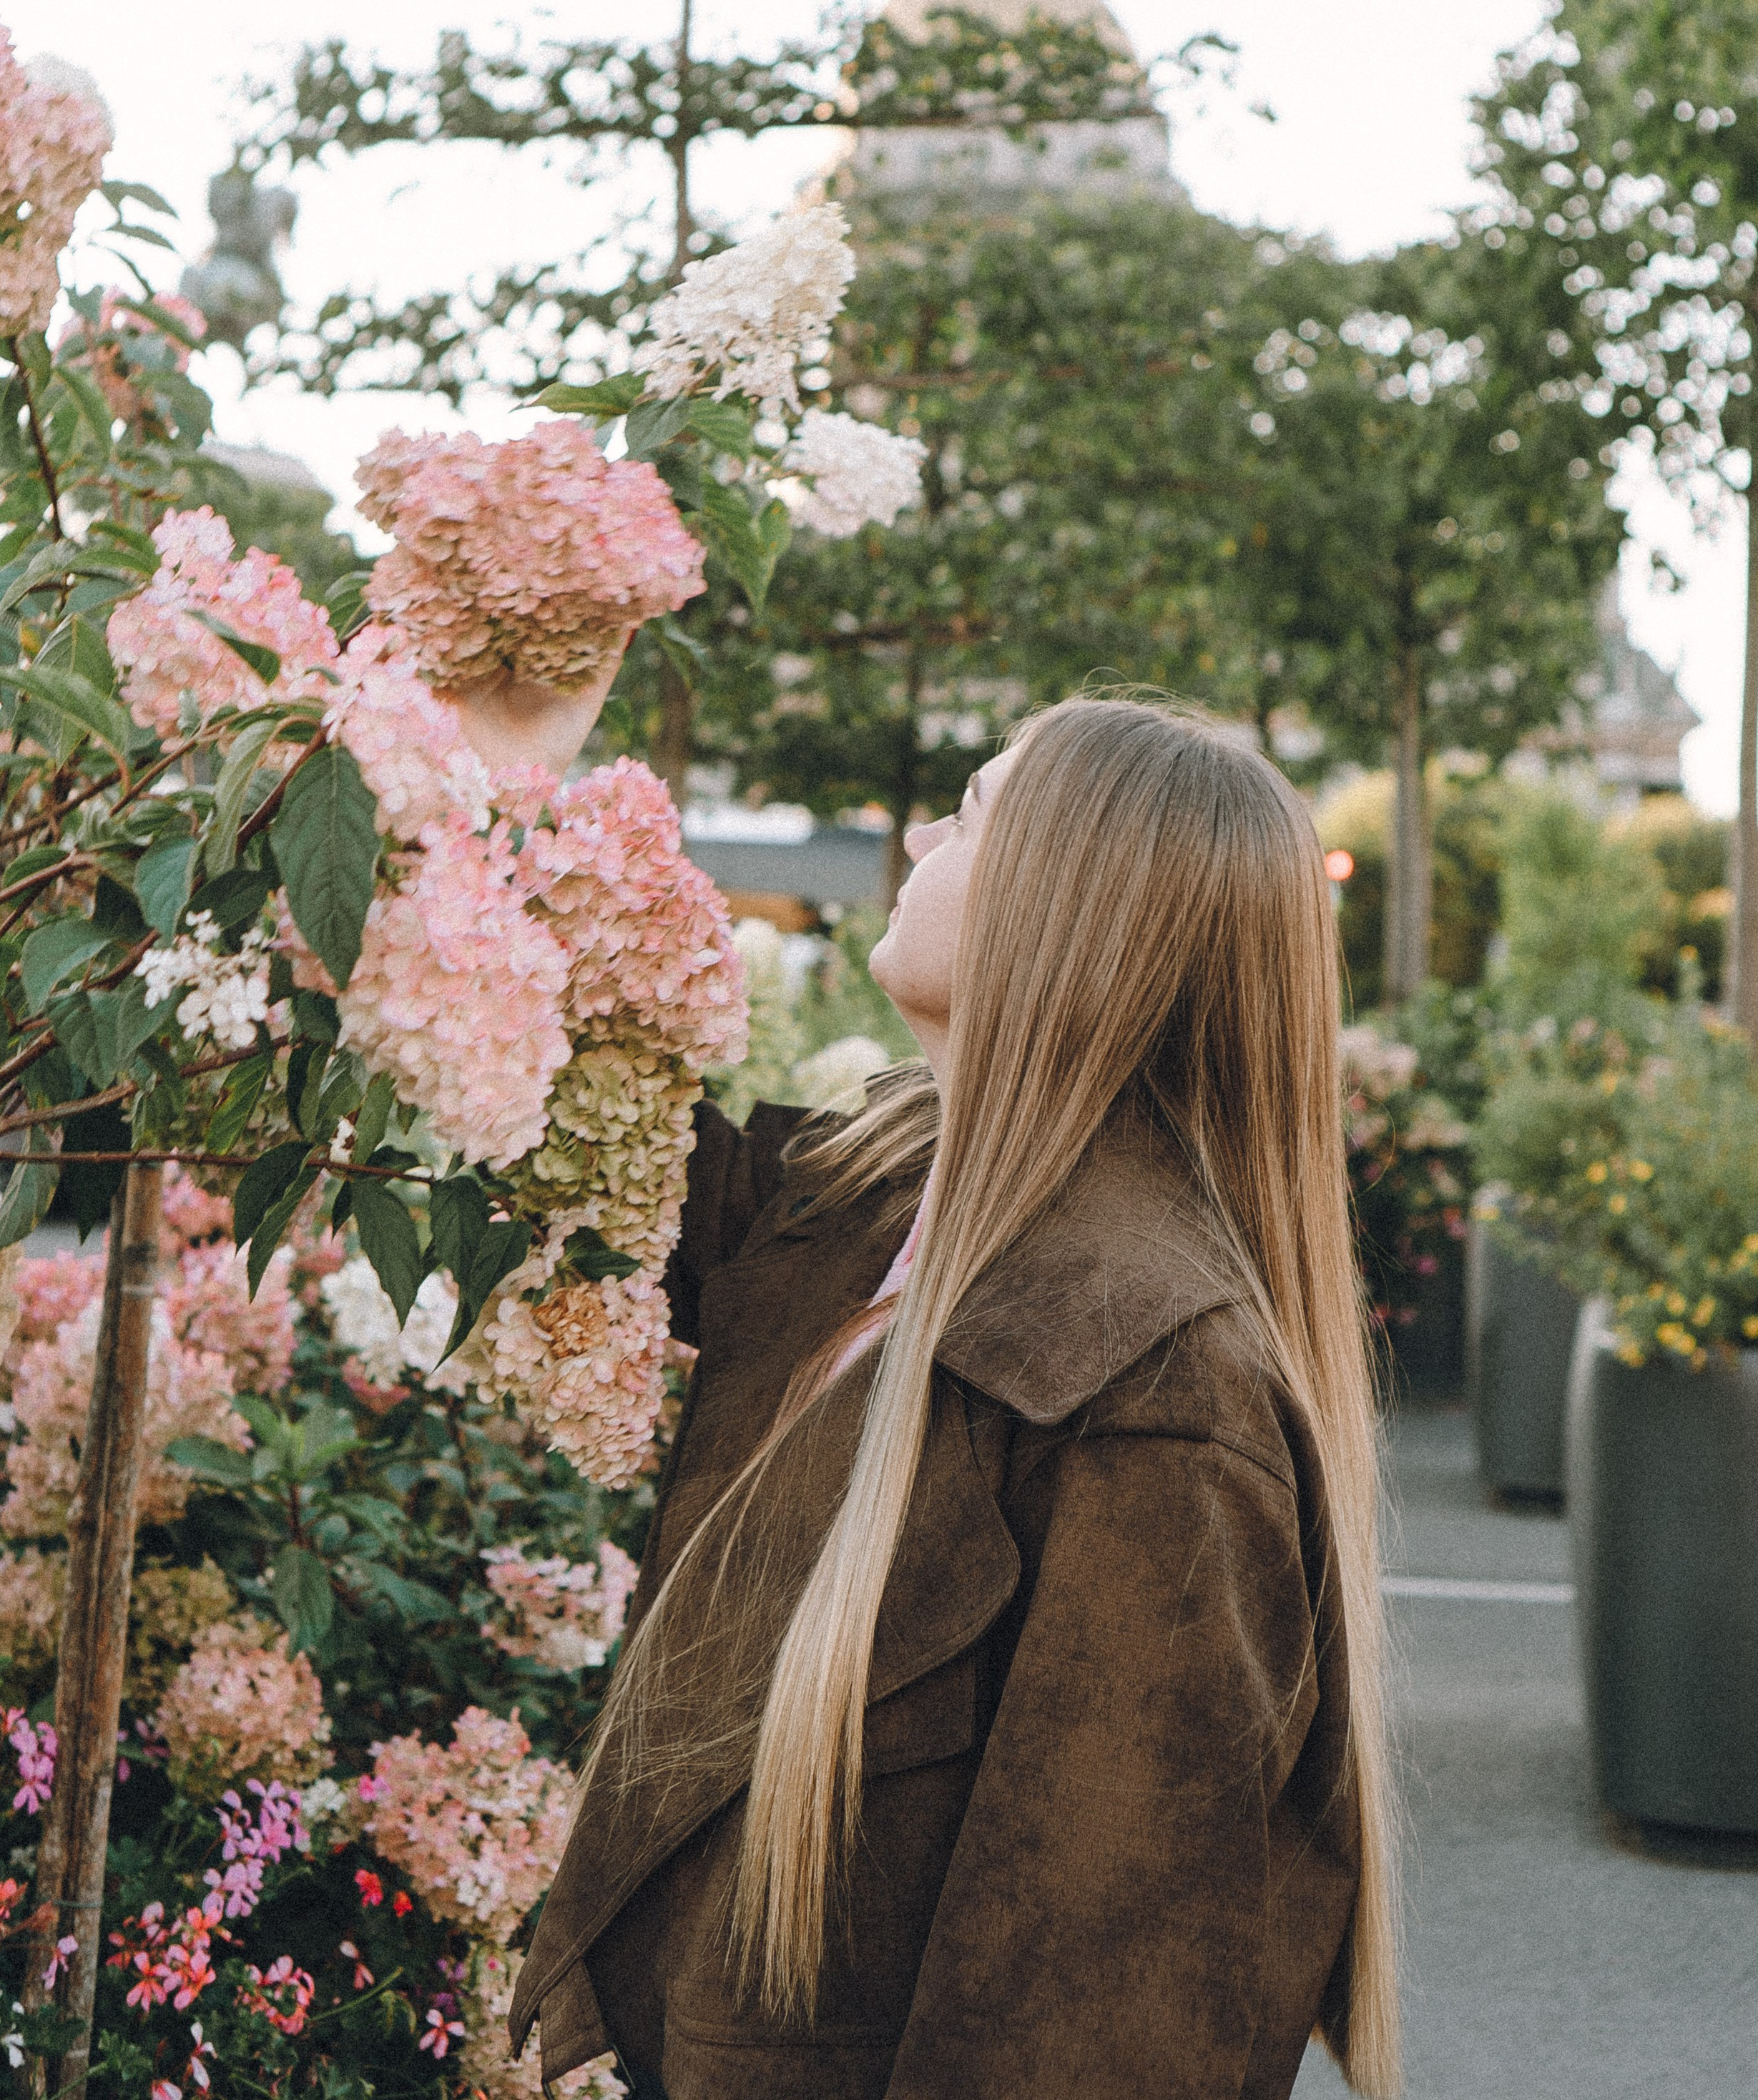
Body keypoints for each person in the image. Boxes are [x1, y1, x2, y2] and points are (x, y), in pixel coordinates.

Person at [463, 685, 1400, 2100]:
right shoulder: (870, 1201)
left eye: (964, 809)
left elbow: (1087, 2031)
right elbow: (532, 1124)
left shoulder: (1158, 1392)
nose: (910, 831)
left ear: (1073, 904)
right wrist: (491, 766)